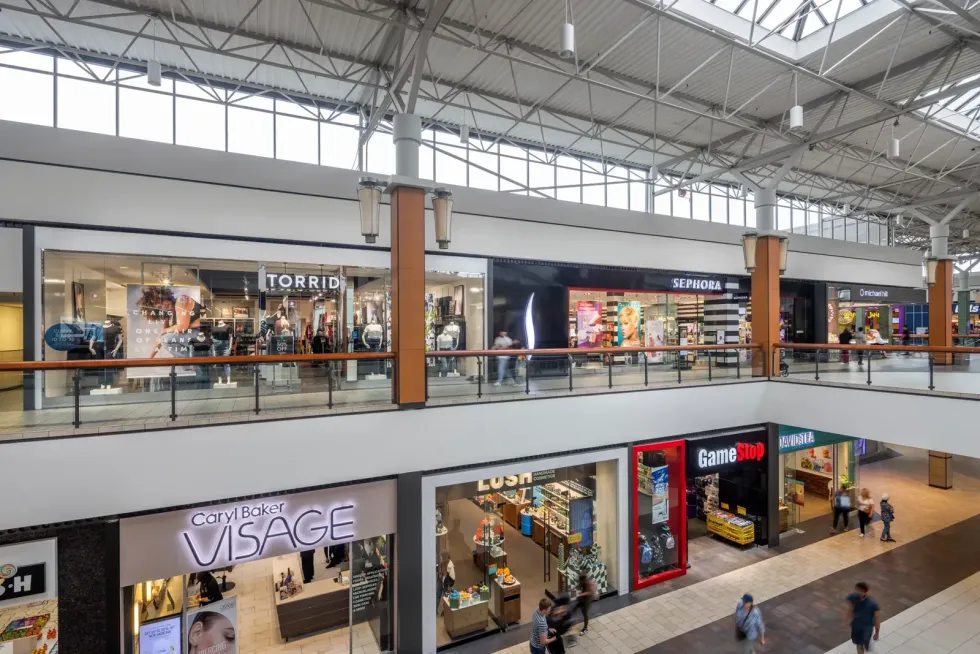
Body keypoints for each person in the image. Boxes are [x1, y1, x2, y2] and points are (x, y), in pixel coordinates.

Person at [846, 582, 881, 653]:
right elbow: (850, 608)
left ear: (866, 592)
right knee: (859, 644)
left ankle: (866, 644)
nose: (859, 593)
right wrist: (847, 620)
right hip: (856, 626)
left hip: (867, 628)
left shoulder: (873, 604)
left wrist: (877, 632)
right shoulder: (853, 597)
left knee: (865, 642)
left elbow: (877, 619)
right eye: (857, 590)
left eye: (861, 591)